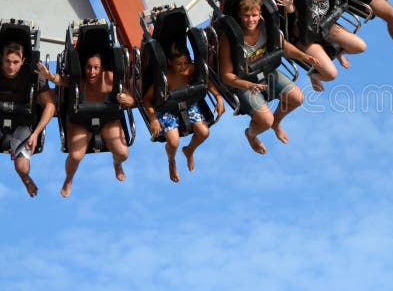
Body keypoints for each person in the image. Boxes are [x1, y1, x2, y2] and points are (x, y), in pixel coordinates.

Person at [218, 0, 319, 153]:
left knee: (297, 98)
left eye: (254, 15)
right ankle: (251, 135)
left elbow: (283, 46)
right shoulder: (229, 39)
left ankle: (277, 123)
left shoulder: (264, 26)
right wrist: (249, 84)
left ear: (259, 15)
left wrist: (303, 56)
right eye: (246, 16)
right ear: (239, 15)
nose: (251, 20)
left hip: (266, 72)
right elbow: (226, 75)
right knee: (265, 121)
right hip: (244, 82)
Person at [38, 53, 136, 198]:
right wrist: (50, 76)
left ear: (102, 68)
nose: (92, 72)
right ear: (83, 68)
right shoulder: (80, 80)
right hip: (81, 121)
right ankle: (69, 179)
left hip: (107, 120)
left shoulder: (110, 78)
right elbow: (63, 81)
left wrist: (126, 99)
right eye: (88, 67)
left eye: (96, 68)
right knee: (76, 156)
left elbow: (132, 101)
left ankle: (117, 164)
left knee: (123, 154)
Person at [275, 0, 367, 92]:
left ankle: (337, 52)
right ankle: (312, 75)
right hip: (306, 37)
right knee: (331, 75)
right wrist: (289, 6)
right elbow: (293, 11)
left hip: (326, 27)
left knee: (361, 47)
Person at [143, 43, 225, 183]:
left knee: (204, 132)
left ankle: (189, 150)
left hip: (188, 103)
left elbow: (207, 82)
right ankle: (171, 161)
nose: (183, 67)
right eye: (178, 64)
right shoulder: (165, 77)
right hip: (167, 109)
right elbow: (146, 100)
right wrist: (153, 118)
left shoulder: (191, 69)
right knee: (174, 142)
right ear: (170, 63)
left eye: (186, 63)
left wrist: (218, 97)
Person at [0, 42, 55, 197]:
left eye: (15, 62)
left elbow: (50, 106)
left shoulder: (34, 75)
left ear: (23, 61)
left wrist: (36, 133)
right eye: (7, 62)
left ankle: (25, 177)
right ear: (2, 59)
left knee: (22, 168)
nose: (11, 66)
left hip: (22, 122)